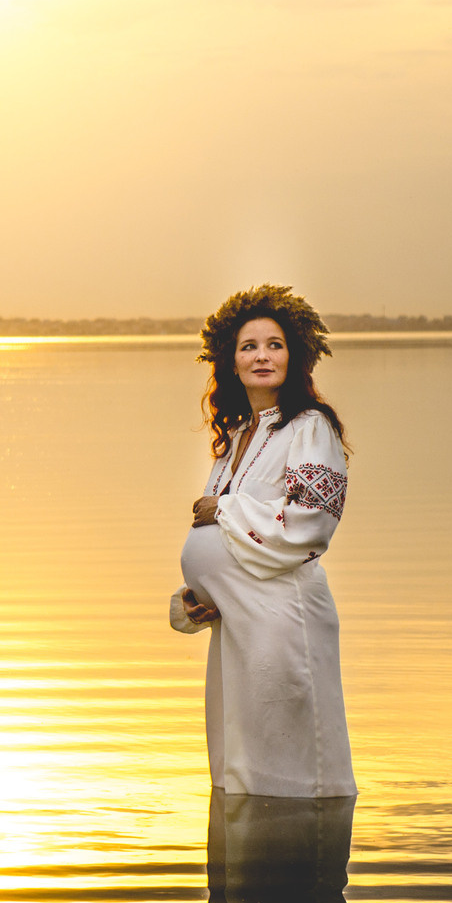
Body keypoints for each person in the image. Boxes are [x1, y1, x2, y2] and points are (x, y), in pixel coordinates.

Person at [170, 285, 355, 798]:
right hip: (237, 626)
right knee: (240, 769)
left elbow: (311, 521)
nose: (262, 356)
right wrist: (200, 599)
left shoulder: (309, 427)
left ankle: (299, 867)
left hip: (283, 622)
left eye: (275, 344)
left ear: (295, 355)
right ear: (229, 360)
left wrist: (223, 507)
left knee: (290, 768)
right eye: (248, 346)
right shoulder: (237, 438)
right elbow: (224, 544)